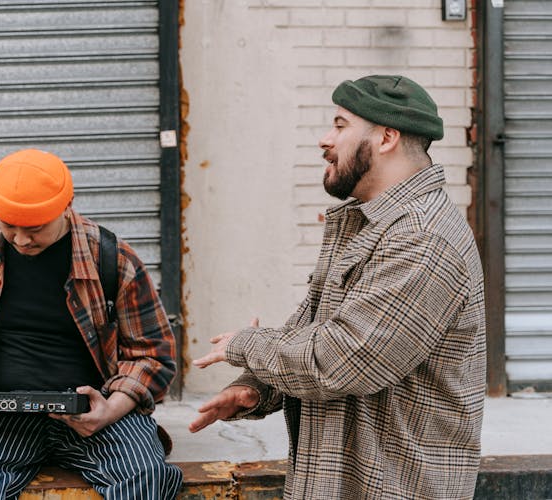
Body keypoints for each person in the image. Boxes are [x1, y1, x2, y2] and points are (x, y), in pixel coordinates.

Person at [189, 75, 486, 499]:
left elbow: (345, 359)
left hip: (394, 487)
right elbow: (319, 334)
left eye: (341, 125)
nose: (325, 139)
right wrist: (257, 389)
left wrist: (247, 344)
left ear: (386, 138)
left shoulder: (423, 239)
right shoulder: (368, 226)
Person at [0, 148, 183, 499]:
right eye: (8, 226)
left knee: (145, 480)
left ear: (67, 204)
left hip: (94, 407)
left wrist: (110, 410)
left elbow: (152, 355)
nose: (21, 239)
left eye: (34, 228)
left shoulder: (112, 258)